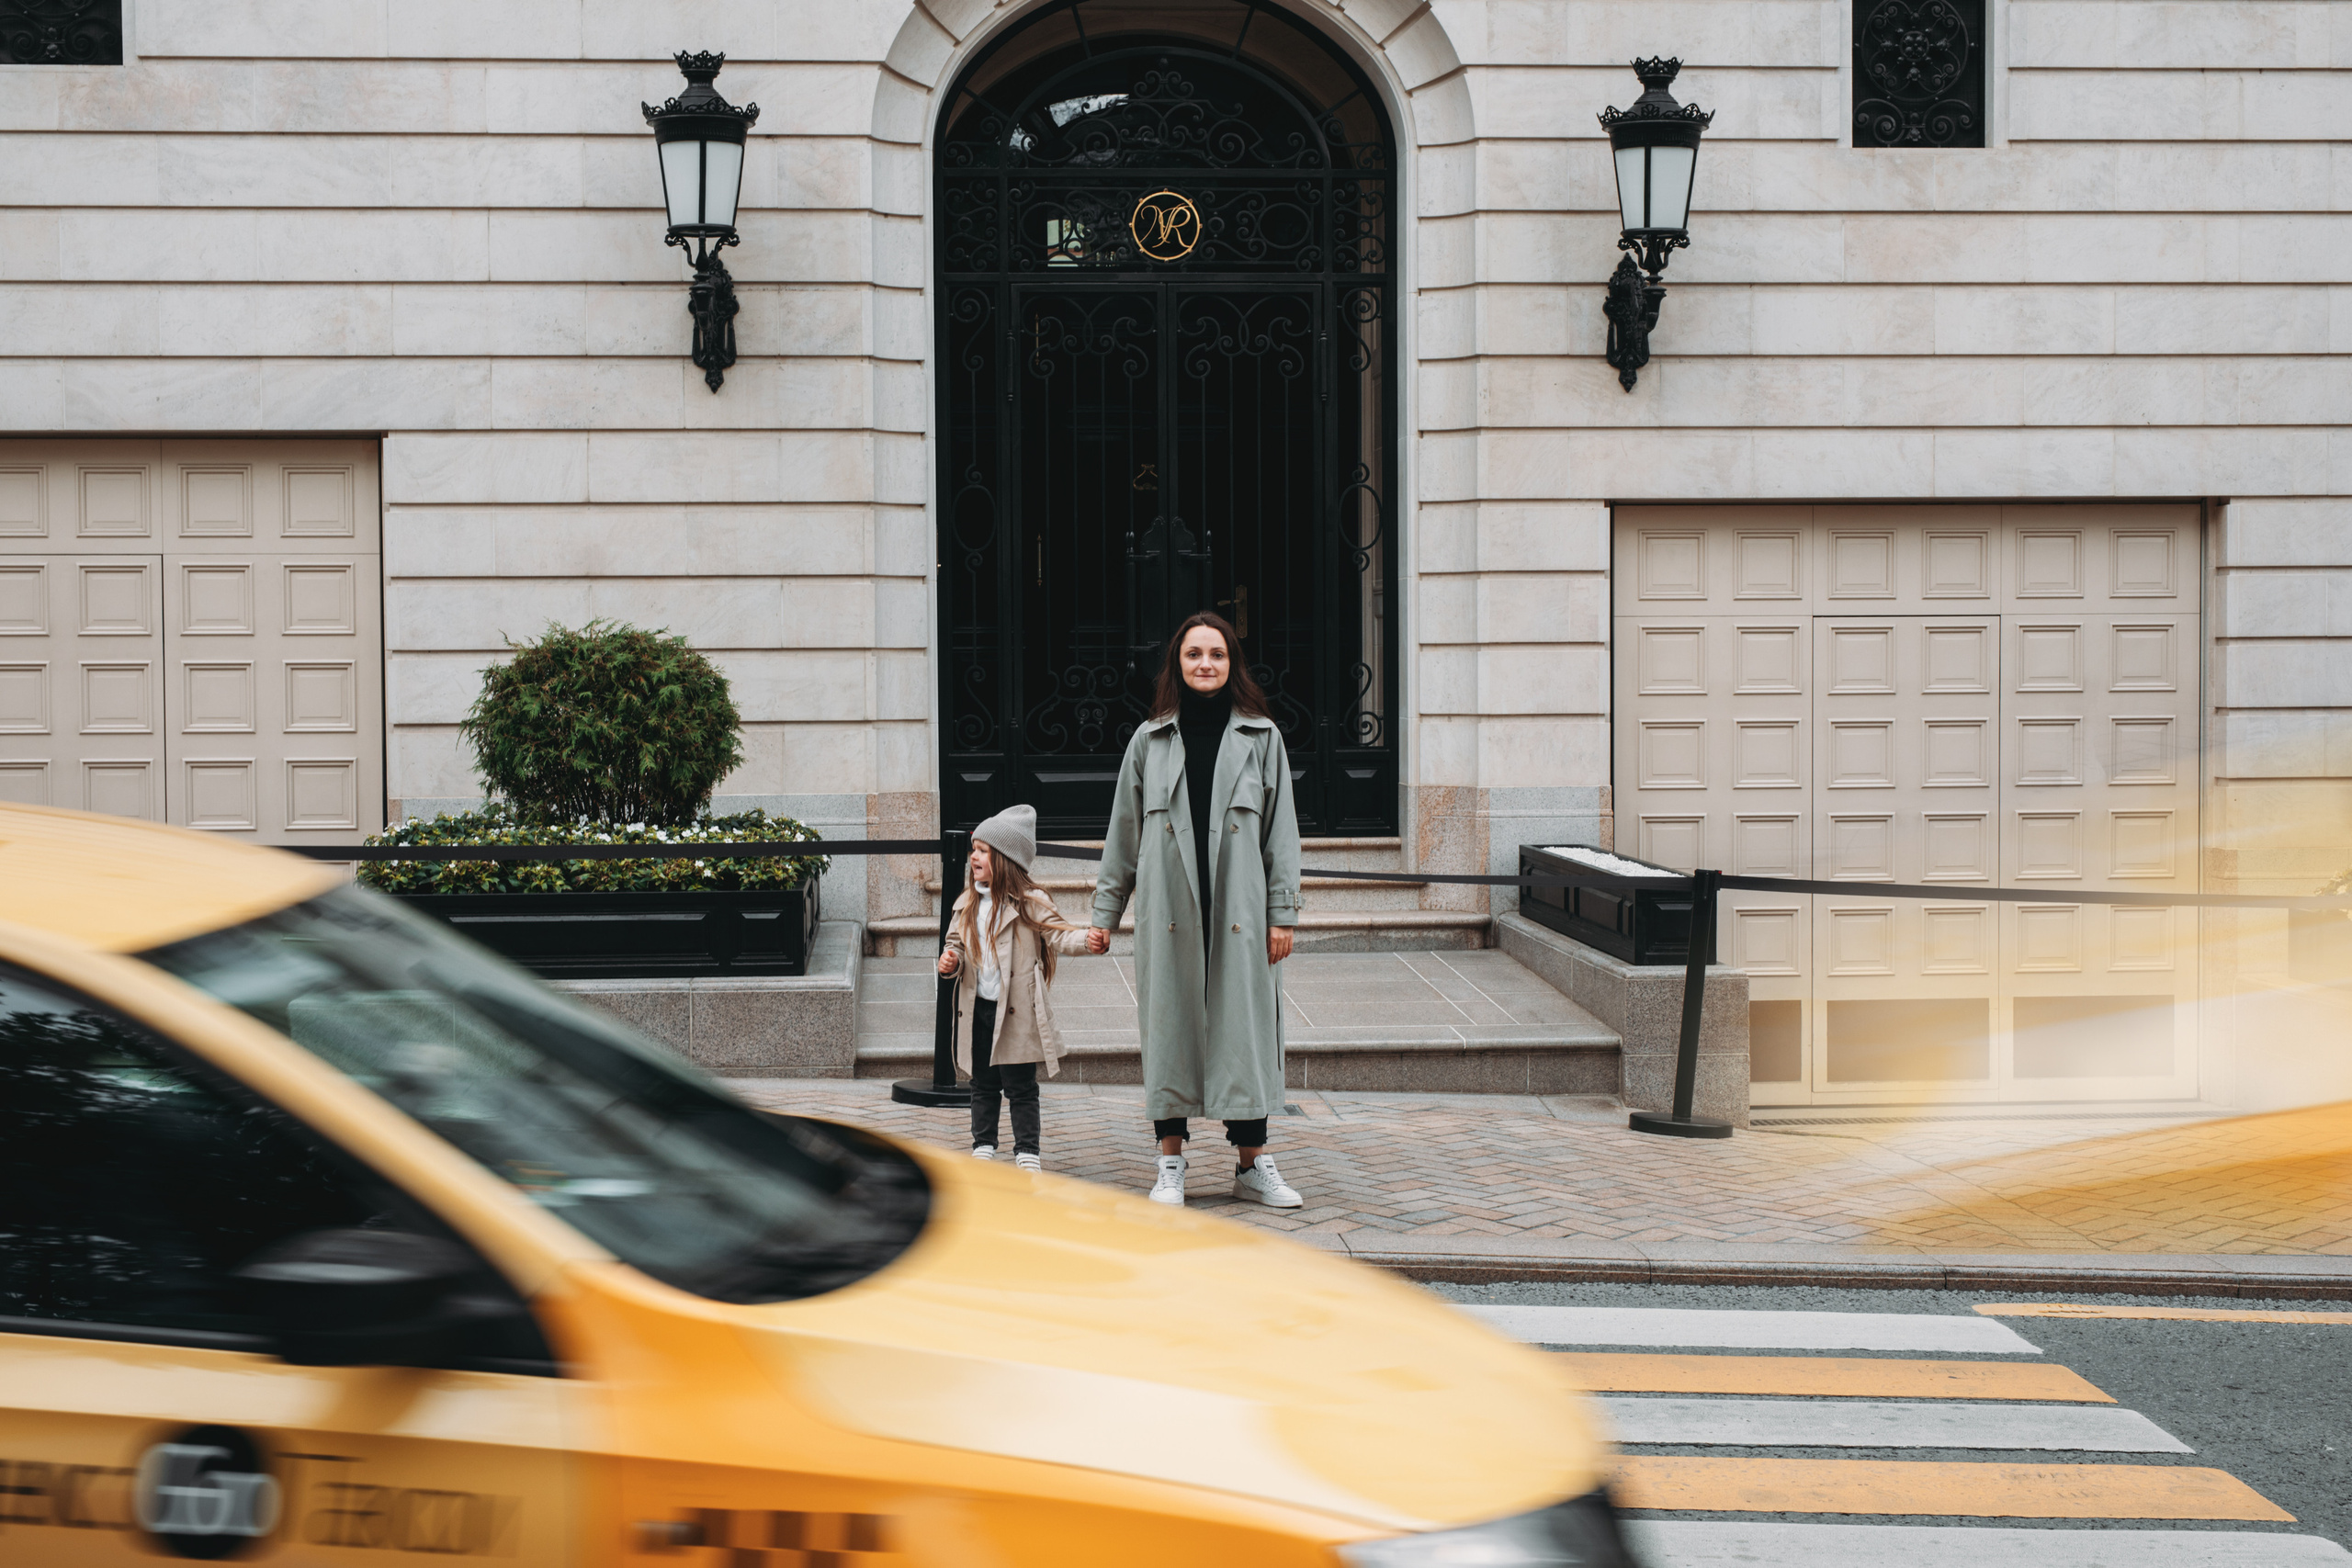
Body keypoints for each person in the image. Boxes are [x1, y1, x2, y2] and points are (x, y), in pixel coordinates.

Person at [1088, 611, 1304, 1209]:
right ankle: (1170, 1162)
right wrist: (1105, 914)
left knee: (1246, 1034)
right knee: (1170, 1028)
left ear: (1232, 664)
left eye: (1217, 654)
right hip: (1169, 912)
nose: (1205, 664)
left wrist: (1282, 912)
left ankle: (1252, 1163)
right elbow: (1123, 834)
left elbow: (1281, 833)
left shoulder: (1263, 738)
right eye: (1193, 654)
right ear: (1177, 663)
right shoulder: (1149, 740)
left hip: (1242, 912)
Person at [937, 805, 1093, 1172]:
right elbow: (955, 942)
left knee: (1021, 1085)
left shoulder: (1030, 903)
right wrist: (951, 959)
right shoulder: (968, 903)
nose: (973, 857)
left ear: (1005, 859)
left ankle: (1027, 1151)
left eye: (983, 851)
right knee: (982, 1082)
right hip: (979, 1007)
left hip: (1016, 1010)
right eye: (974, 849)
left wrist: (1088, 940)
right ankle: (983, 1144)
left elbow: (1059, 934)